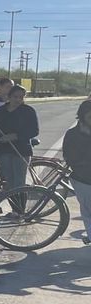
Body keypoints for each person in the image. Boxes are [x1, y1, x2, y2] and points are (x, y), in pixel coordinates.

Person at [0, 85, 39, 207]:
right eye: (15, 97)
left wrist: (16, 136)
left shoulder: (28, 111)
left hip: (21, 150)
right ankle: (14, 209)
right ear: (9, 96)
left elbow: (34, 130)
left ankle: (20, 210)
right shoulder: (0, 111)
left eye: (21, 97)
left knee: (19, 183)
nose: (18, 100)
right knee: (9, 183)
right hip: (3, 150)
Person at [61, 100, 91, 244]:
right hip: (82, 177)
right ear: (83, 115)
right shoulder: (73, 134)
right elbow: (69, 156)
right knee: (87, 210)